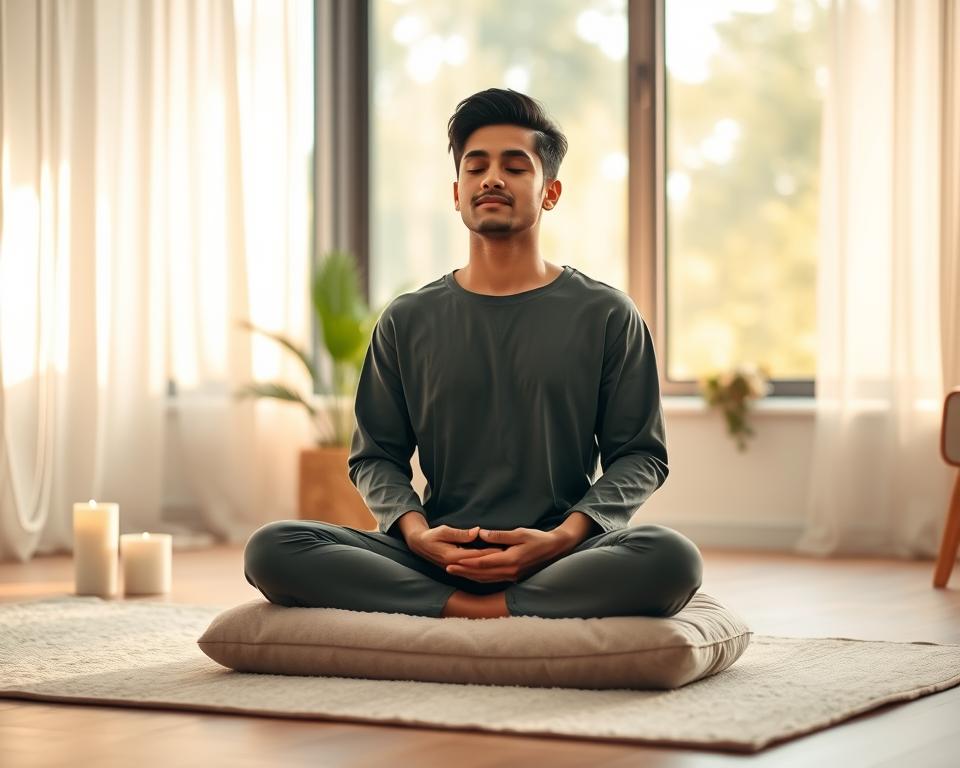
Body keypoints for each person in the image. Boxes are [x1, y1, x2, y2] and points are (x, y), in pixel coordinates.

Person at [243, 88, 703, 620]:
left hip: (559, 555)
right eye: (475, 166)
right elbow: (375, 458)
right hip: (434, 555)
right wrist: (417, 536)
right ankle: (476, 608)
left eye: (515, 167)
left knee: (671, 559)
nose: (491, 179)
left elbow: (641, 455)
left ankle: (462, 609)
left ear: (550, 192)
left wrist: (562, 538)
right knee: (273, 548)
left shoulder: (607, 314)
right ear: (456, 191)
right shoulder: (406, 319)